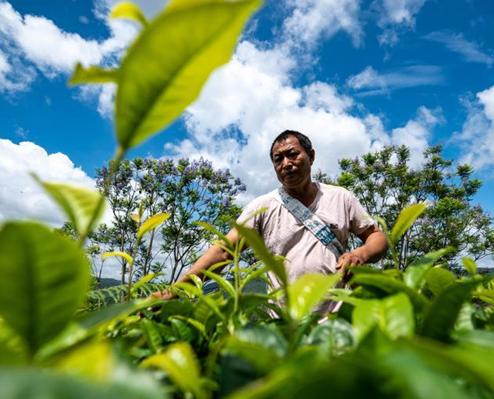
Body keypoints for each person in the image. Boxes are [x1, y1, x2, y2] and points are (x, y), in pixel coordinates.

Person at [161, 130, 388, 315]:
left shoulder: (341, 197)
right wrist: (173, 293)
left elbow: (376, 237)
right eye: (278, 159)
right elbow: (224, 252)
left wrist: (360, 254)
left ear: (311, 155)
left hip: (338, 321)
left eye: (293, 154)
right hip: (286, 324)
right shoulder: (263, 206)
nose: (286, 163)